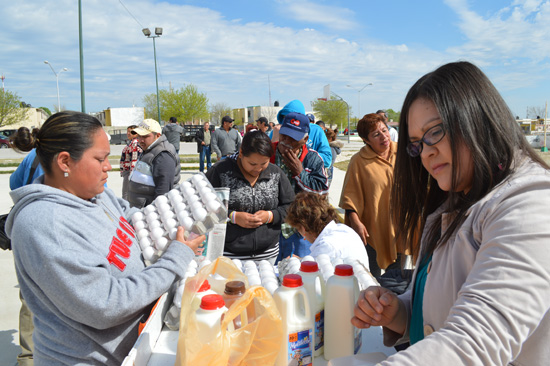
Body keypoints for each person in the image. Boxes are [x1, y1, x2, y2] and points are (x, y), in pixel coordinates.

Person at [352, 61, 550, 365]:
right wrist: (400, 311)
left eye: (436, 131)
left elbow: (475, 339)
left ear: (477, 118)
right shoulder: (456, 200)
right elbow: (445, 303)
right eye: (417, 144)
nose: (426, 152)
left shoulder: (530, 203)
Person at [6, 111, 204, 366]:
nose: (108, 166)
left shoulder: (94, 194)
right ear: (65, 162)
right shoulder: (47, 224)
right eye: (100, 159)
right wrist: (175, 257)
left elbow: (128, 214)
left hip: (133, 349)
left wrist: (167, 226)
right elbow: (106, 304)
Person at [206, 130, 295, 264]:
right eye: (252, 164)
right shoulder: (220, 171)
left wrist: (271, 216)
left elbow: (291, 207)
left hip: (268, 254)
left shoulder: (275, 173)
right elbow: (205, 208)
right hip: (229, 254)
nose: (258, 169)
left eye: (263, 163)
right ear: (241, 153)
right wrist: (233, 217)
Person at [339, 113, 400, 277]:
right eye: (376, 134)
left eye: (384, 130)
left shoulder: (403, 154)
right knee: (370, 279)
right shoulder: (359, 161)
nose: (383, 137)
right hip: (371, 231)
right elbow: (349, 199)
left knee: (398, 280)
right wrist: (356, 223)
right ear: (366, 140)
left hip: (400, 229)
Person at [272, 112, 328, 260]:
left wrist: (300, 173)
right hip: (272, 229)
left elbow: (322, 191)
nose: (286, 141)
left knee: (301, 273)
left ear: (305, 139)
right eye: (284, 135)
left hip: (301, 232)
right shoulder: (268, 153)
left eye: (293, 138)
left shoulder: (313, 159)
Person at [9, 127, 43, 366]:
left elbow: (14, 185)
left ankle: (28, 358)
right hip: (46, 232)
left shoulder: (32, 158)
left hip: (28, 230)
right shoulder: (62, 156)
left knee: (29, 298)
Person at [285, 192, 371, 272]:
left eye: (299, 230)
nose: (304, 237)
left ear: (304, 228)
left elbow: (311, 277)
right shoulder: (345, 229)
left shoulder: (326, 246)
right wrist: (302, 260)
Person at [128, 119, 181, 208]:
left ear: (157, 135)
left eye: (145, 136)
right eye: (139, 136)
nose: (141, 140)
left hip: (149, 213)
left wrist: (153, 214)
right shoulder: (149, 149)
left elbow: (163, 191)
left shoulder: (163, 155)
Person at [276, 100, 333, 170]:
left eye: (294, 120)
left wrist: (303, 158)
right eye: (286, 118)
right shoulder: (277, 131)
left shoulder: (316, 131)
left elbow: (327, 160)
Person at [119, 125, 143, 200]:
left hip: (129, 171)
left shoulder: (135, 143)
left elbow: (134, 159)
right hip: (127, 170)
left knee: (126, 193)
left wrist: (132, 174)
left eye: (130, 132)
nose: (128, 133)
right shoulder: (131, 142)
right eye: (127, 131)